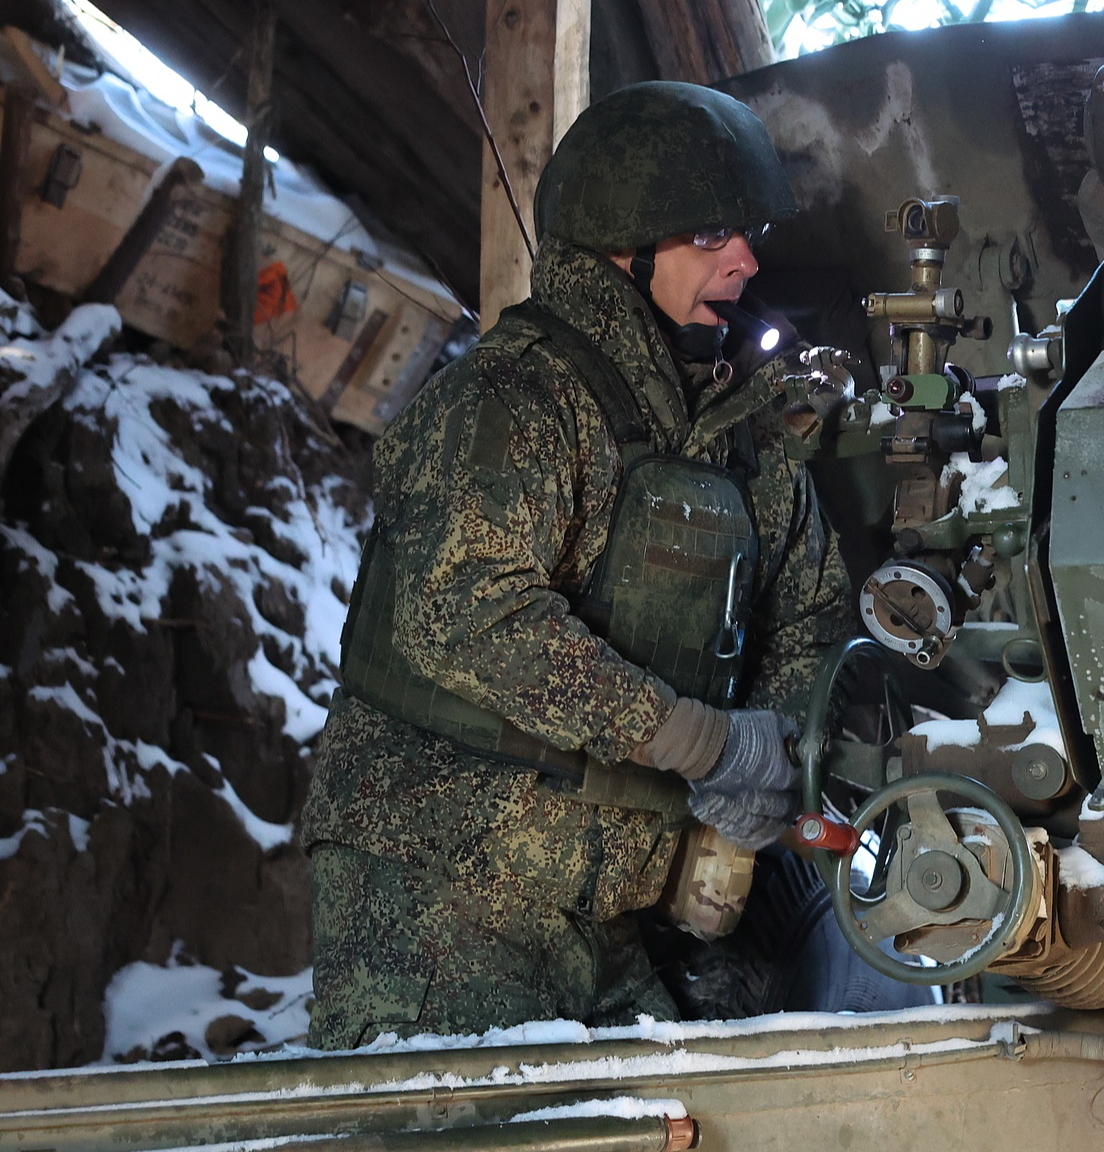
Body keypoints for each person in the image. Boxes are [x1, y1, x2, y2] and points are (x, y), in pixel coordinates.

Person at [300, 82, 863, 1047]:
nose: (746, 260)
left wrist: (761, 766)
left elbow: (809, 609)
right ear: (622, 248)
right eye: (713, 235)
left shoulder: (737, 428)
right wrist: (701, 743)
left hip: (617, 916)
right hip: (443, 894)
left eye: (748, 231)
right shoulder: (509, 400)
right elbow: (473, 614)